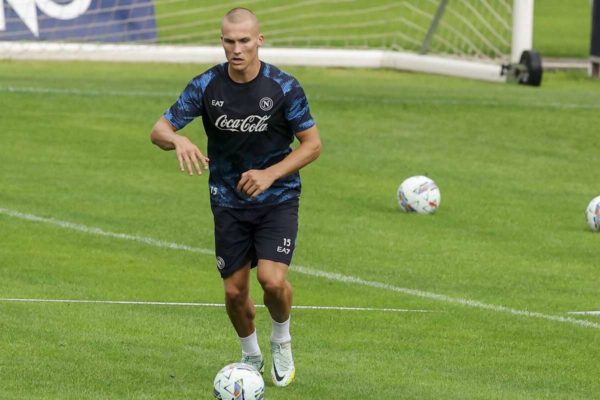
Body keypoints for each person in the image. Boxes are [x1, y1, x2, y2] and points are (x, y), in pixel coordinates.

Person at [149, 7, 321, 388]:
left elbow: (312, 145)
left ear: (259, 40)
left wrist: (270, 174)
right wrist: (178, 138)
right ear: (222, 42)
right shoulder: (207, 86)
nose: (236, 49)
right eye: (229, 41)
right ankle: (251, 356)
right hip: (227, 202)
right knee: (233, 291)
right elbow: (159, 129)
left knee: (273, 282)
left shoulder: (283, 87)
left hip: (278, 197)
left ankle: (281, 340)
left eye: (244, 41)